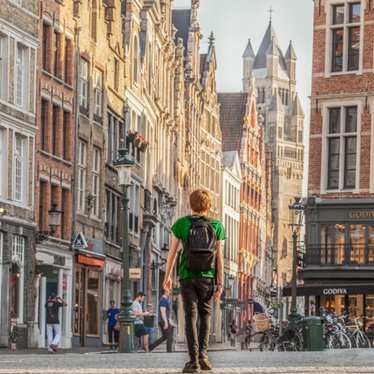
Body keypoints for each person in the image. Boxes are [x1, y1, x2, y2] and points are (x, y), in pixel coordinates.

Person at [163, 189, 226, 373]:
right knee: (205, 315)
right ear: (209, 206)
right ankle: (203, 356)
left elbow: (172, 253)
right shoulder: (216, 225)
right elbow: (219, 258)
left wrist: (167, 277)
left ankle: (193, 361)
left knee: (190, 317)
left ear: (191, 204)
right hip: (207, 277)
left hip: (187, 275)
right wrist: (220, 283)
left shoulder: (181, 224)